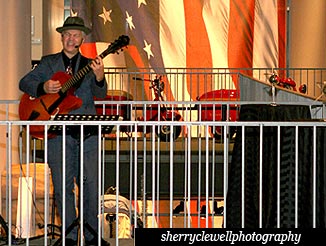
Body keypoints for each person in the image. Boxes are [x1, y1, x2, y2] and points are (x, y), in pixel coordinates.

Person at [19, 16, 108, 245]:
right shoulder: (48, 63)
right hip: (58, 135)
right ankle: (68, 236)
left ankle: (91, 236)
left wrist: (99, 78)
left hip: (87, 134)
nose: (71, 38)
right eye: (67, 34)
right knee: (62, 187)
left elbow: (100, 95)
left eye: (75, 35)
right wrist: (43, 87)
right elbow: (25, 83)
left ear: (82, 39)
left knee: (92, 186)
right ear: (61, 37)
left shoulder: (90, 64)